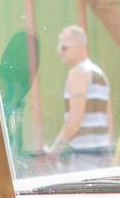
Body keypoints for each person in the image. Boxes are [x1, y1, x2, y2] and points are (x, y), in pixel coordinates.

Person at [45, 24, 111, 169]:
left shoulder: (78, 74)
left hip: (85, 156)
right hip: (103, 153)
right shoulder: (99, 74)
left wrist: (54, 151)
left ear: (80, 45)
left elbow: (74, 120)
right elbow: (108, 117)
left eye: (64, 47)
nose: (59, 51)